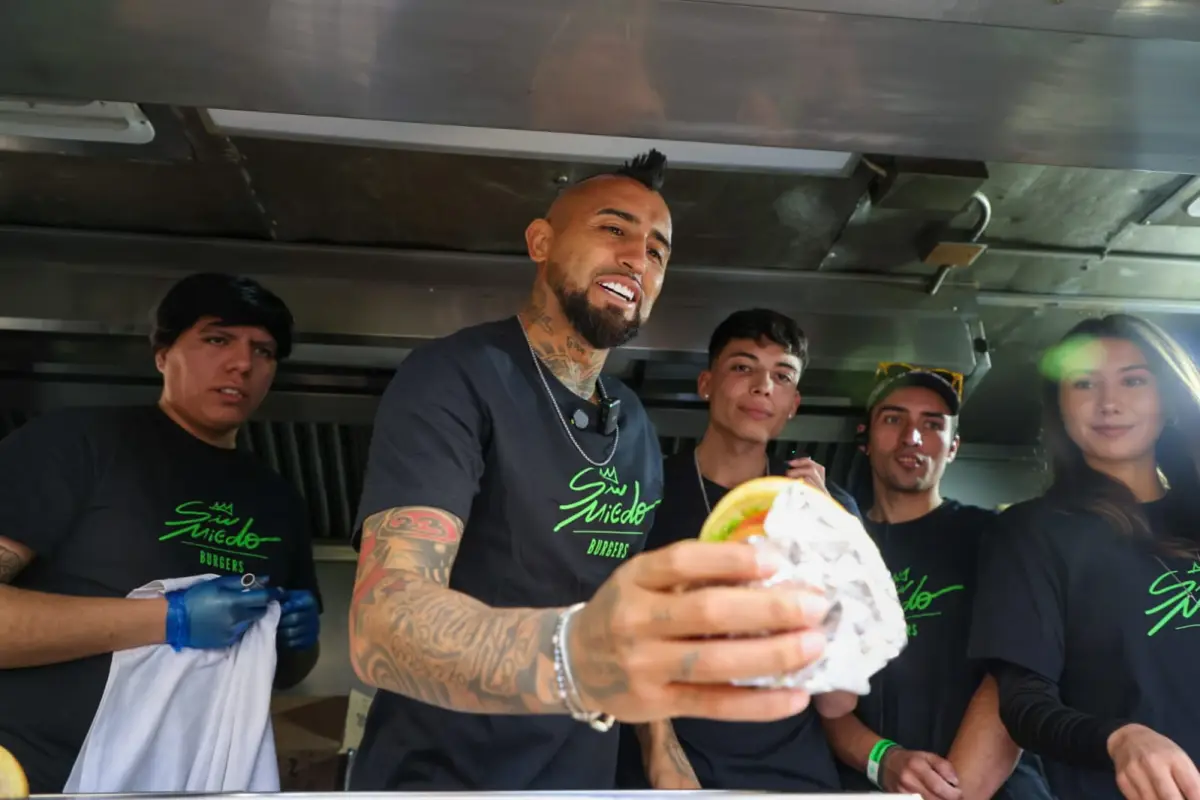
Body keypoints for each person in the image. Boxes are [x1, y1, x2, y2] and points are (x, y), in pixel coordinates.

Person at [346, 152, 834, 792]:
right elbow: (382, 625)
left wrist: (662, 747)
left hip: (582, 776)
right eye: (614, 229)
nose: (638, 257)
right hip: (446, 774)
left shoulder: (633, 423)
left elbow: (623, 600)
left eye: (658, 251)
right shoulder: (455, 377)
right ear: (541, 241)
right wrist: (574, 658)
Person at [0, 273, 323, 793]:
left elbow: (286, 673)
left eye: (263, 351)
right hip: (29, 780)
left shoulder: (279, 501)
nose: (242, 363)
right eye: (217, 340)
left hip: (184, 785)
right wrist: (167, 618)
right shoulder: (76, 445)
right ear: (162, 353)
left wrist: (295, 642)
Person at [614, 307, 861, 793]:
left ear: (793, 402)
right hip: (667, 769)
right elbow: (622, 635)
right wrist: (660, 751)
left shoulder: (828, 508)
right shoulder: (644, 491)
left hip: (793, 776)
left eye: (782, 375)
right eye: (743, 367)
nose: (762, 386)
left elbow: (839, 701)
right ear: (706, 383)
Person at [970, 314, 1200, 800]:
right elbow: (1024, 702)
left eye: (1133, 380)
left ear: (1168, 398)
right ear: (1060, 408)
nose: (1109, 403)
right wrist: (1120, 738)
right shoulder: (1032, 532)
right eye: (1084, 384)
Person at [823, 365, 1051, 800]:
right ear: (865, 439)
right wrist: (883, 759)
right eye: (893, 419)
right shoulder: (835, 545)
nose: (912, 437)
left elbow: (1020, 676)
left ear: (953, 447)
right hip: (871, 786)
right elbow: (823, 695)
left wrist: (955, 790)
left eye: (932, 425)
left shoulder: (998, 538)